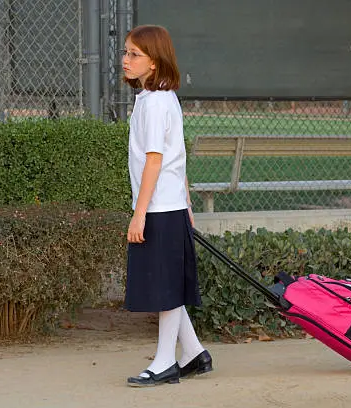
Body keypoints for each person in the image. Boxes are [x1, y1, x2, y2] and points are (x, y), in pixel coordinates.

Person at [121, 24, 213, 387]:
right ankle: (193, 353)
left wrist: (139, 213)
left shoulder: (157, 103)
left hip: (159, 208)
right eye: (126, 52)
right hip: (168, 206)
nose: (125, 60)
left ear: (155, 63)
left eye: (134, 55)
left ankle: (164, 362)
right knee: (168, 283)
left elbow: (156, 161)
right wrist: (186, 200)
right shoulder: (155, 98)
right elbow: (179, 155)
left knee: (165, 288)